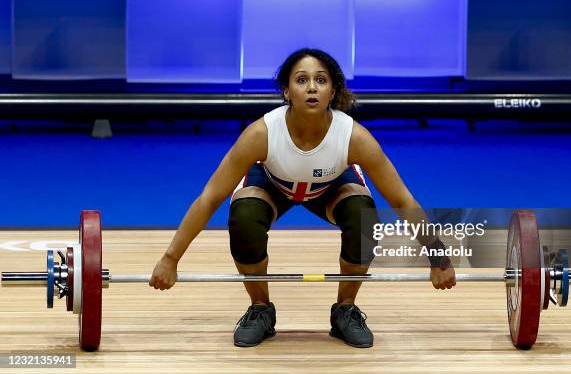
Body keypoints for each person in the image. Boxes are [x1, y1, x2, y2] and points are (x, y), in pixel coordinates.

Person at [149, 48, 456, 348]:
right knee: (243, 218)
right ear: (286, 91)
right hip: (272, 184)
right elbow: (209, 198)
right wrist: (170, 258)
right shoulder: (261, 134)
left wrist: (438, 256)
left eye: (321, 80)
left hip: (330, 188)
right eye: (302, 80)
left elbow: (402, 200)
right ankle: (260, 309)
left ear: (333, 91)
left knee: (364, 217)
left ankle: (345, 310)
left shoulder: (353, 137)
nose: (312, 87)